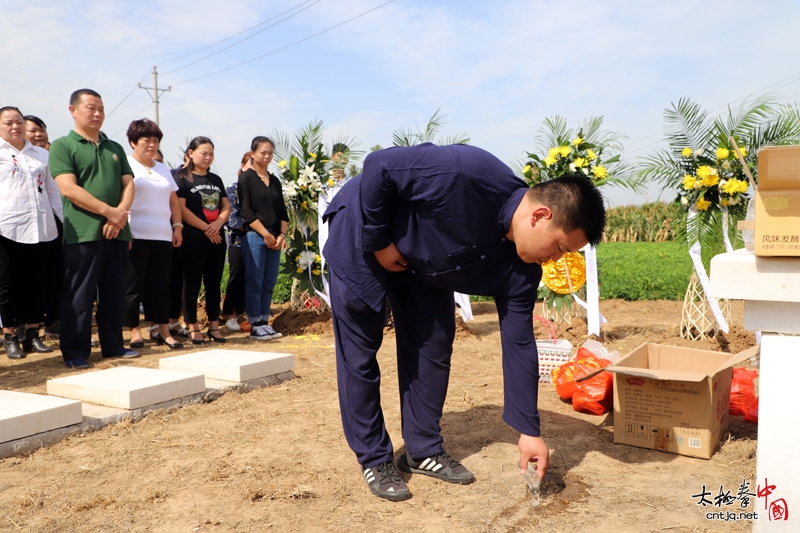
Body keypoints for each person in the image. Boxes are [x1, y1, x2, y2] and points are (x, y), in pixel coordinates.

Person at [322, 143, 605, 501]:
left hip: (421, 263)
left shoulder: (523, 270)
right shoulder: (467, 172)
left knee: (433, 343)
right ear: (540, 216)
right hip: (364, 233)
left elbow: (518, 344)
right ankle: (375, 458)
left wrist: (528, 431)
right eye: (560, 248)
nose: (554, 260)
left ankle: (422, 449)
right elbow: (380, 166)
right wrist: (380, 242)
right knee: (360, 354)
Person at [49, 88, 140, 368]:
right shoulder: (63, 146)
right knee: (80, 294)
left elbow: (129, 184)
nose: (98, 113)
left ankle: (113, 345)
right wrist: (110, 213)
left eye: (101, 108)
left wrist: (120, 216)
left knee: (114, 292)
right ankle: (75, 350)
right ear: (73, 110)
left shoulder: (115, 148)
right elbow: (69, 189)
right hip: (84, 232)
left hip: (118, 230)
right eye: (91, 108)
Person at [0, 106, 61, 358]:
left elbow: (53, 191)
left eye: (18, 122)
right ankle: (10, 335)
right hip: (7, 226)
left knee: (36, 282)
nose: (15, 127)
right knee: (8, 285)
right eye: (8, 123)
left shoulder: (42, 155)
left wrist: (62, 220)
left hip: (41, 225)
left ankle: (33, 333)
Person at [123, 119, 184, 350]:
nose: (152, 144)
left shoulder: (162, 168)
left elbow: (173, 199)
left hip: (162, 234)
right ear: (132, 142)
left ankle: (163, 331)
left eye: (155, 140)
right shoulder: (126, 165)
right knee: (133, 285)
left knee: (160, 286)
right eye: (146, 140)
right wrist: (125, 231)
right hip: (136, 234)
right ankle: (134, 330)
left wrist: (177, 226)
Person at [176, 136, 230, 344]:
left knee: (214, 283)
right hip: (193, 237)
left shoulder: (215, 179)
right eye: (203, 153)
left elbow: (225, 206)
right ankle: (192, 326)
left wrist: (218, 224)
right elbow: (181, 208)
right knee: (191, 283)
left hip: (216, 237)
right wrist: (206, 227)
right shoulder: (182, 177)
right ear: (191, 153)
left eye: (211, 154)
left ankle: (214, 326)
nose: (208, 157)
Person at [238, 137, 288, 341]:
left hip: (275, 237)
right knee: (255, 282)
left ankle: (265, 322)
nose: (266, 156)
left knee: (269, 282)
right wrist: (266, 235)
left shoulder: (274, 180)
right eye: (262, 152)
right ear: (252, 153)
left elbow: (283, 211)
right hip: (256, 236)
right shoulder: (246, 178)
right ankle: (255, 323)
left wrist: (281, 235)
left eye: (270, 153)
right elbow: (246, 211)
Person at [24, 114, 62, 337]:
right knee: (28, 277)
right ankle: (24, 325)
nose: (39, 134)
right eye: (33, 130)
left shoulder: (50, 157)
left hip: (54, 219)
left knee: (54, 274)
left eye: (42, 130)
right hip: (25, 222)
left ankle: (53, 322)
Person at [222, 152, 252, 332]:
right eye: (250, 164)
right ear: (242, 166)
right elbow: (232, 218)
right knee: (236, 277)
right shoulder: (232, 190)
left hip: (258, 242)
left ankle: (244, 313)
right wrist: (254, 228)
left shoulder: (258, 189)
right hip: (238, 242)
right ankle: (229, 314)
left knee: (251, 279)